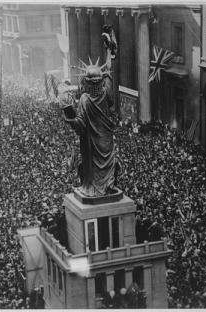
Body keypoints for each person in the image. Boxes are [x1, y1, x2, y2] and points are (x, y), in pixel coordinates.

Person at [62, 26, 117, 197]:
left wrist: (69, 115)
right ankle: (107, 185)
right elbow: (108, 69)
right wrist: (109, 51)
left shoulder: (85, 99)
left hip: (92, 145)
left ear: (86, 82)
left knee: (90, 167)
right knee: (108, 165)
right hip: (106, 142)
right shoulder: (106, 93)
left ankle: (94, 187)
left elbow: (79, 126)